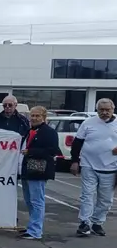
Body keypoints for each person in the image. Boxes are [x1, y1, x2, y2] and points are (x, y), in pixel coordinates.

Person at [70, 98, 117, 237]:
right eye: (101, 110)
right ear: (97, 110)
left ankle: (97, 222)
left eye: (107, 110)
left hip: (111, 167)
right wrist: (74, 161)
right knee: (87, 195)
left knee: (106, 199)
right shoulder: (88, 123)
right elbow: (77, 143)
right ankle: (84, 222)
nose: (104, 112)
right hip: (89, 165)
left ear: (113, 109)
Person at [18, 106, 60, 240]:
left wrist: (31, 152)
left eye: (37, 116)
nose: (34, 118)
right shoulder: (29, 130)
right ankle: (32, 226)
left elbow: (53, 150)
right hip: (26, 169)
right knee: (29, 200)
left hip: (39, 170)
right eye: (32, 115)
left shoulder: (49, 132)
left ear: (44, 117)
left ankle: (36, 230)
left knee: (37, 201)